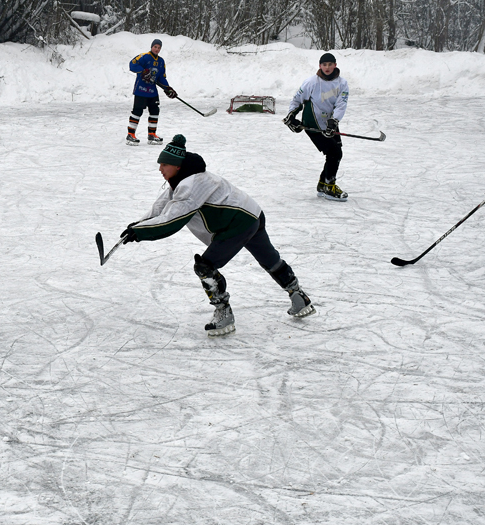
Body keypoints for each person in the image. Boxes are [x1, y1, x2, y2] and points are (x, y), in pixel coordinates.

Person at [119, 134, 315, 336]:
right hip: (253, 215)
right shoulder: (186, 178)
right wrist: (138, 225)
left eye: (164, 165)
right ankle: (299, 297)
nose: (160, 169)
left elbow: (172, 219)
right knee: (270, 259)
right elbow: (162, 207)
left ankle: (224, 313)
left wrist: (140, 232)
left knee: (205, 267)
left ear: (177, 166)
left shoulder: (190, 185)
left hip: (238, 224)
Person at [283, 52, 350, 202]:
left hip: (329, 123)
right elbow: (297, 100)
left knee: (336, 151)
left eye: (330, 64)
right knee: (334, 152)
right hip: (312, 122)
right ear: (320, 66)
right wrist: (291, 117)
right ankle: (329, 186)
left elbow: (341, 104)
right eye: (324, 65)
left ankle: (323, 184)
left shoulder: (342, 83)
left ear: (335, 65)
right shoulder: (311, 82)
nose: (327, 67)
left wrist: (334, 121)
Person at [126, 38, 177, 146]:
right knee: (137, 111)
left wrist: (167, 88)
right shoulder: (144, 56)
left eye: (159, 48)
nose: (157, 49)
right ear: (151, 46)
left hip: (152, 91)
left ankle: (152, 135)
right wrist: (143, 71)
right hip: (141, 89)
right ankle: (130, 135)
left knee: (155, 111)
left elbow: (161, 77)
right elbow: (132, 64)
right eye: (155, 47)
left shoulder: (161, 61)